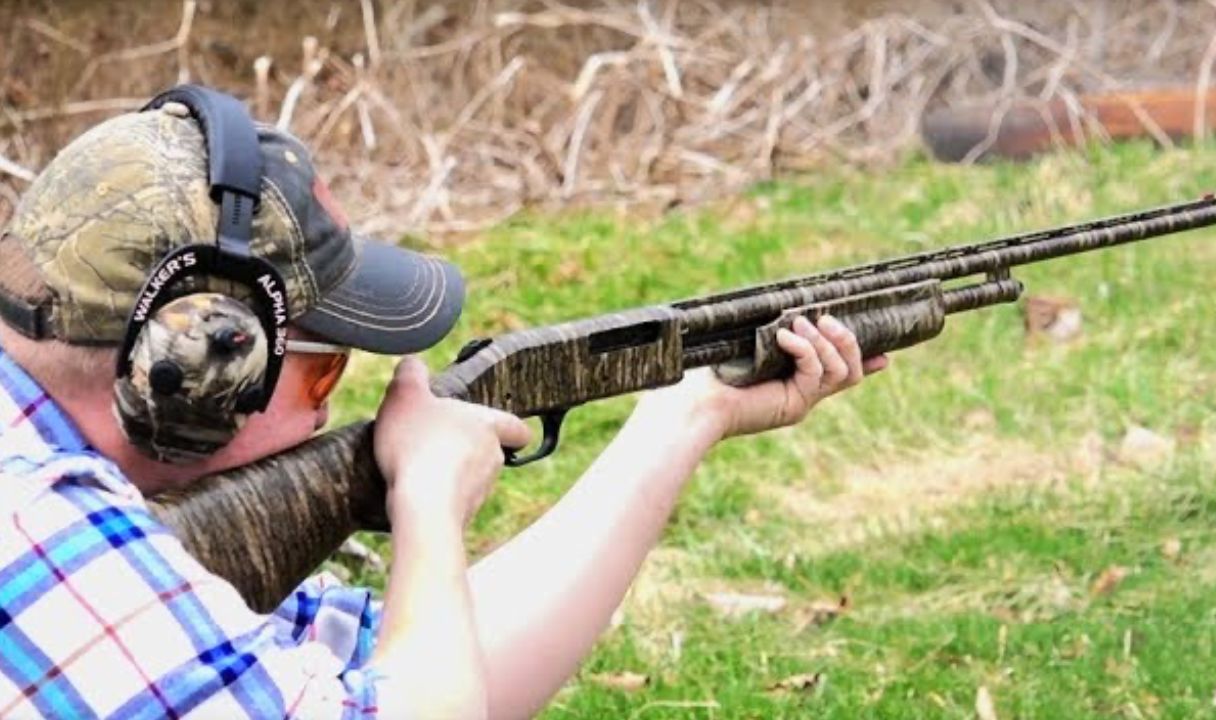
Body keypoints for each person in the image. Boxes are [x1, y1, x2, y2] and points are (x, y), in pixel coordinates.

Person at [0, 92, 888, 719]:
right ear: (192, 370)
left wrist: (687, 415)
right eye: (323, 371)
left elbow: (416, 672)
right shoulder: (37, 524)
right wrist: (429, 505)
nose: (326, 416)